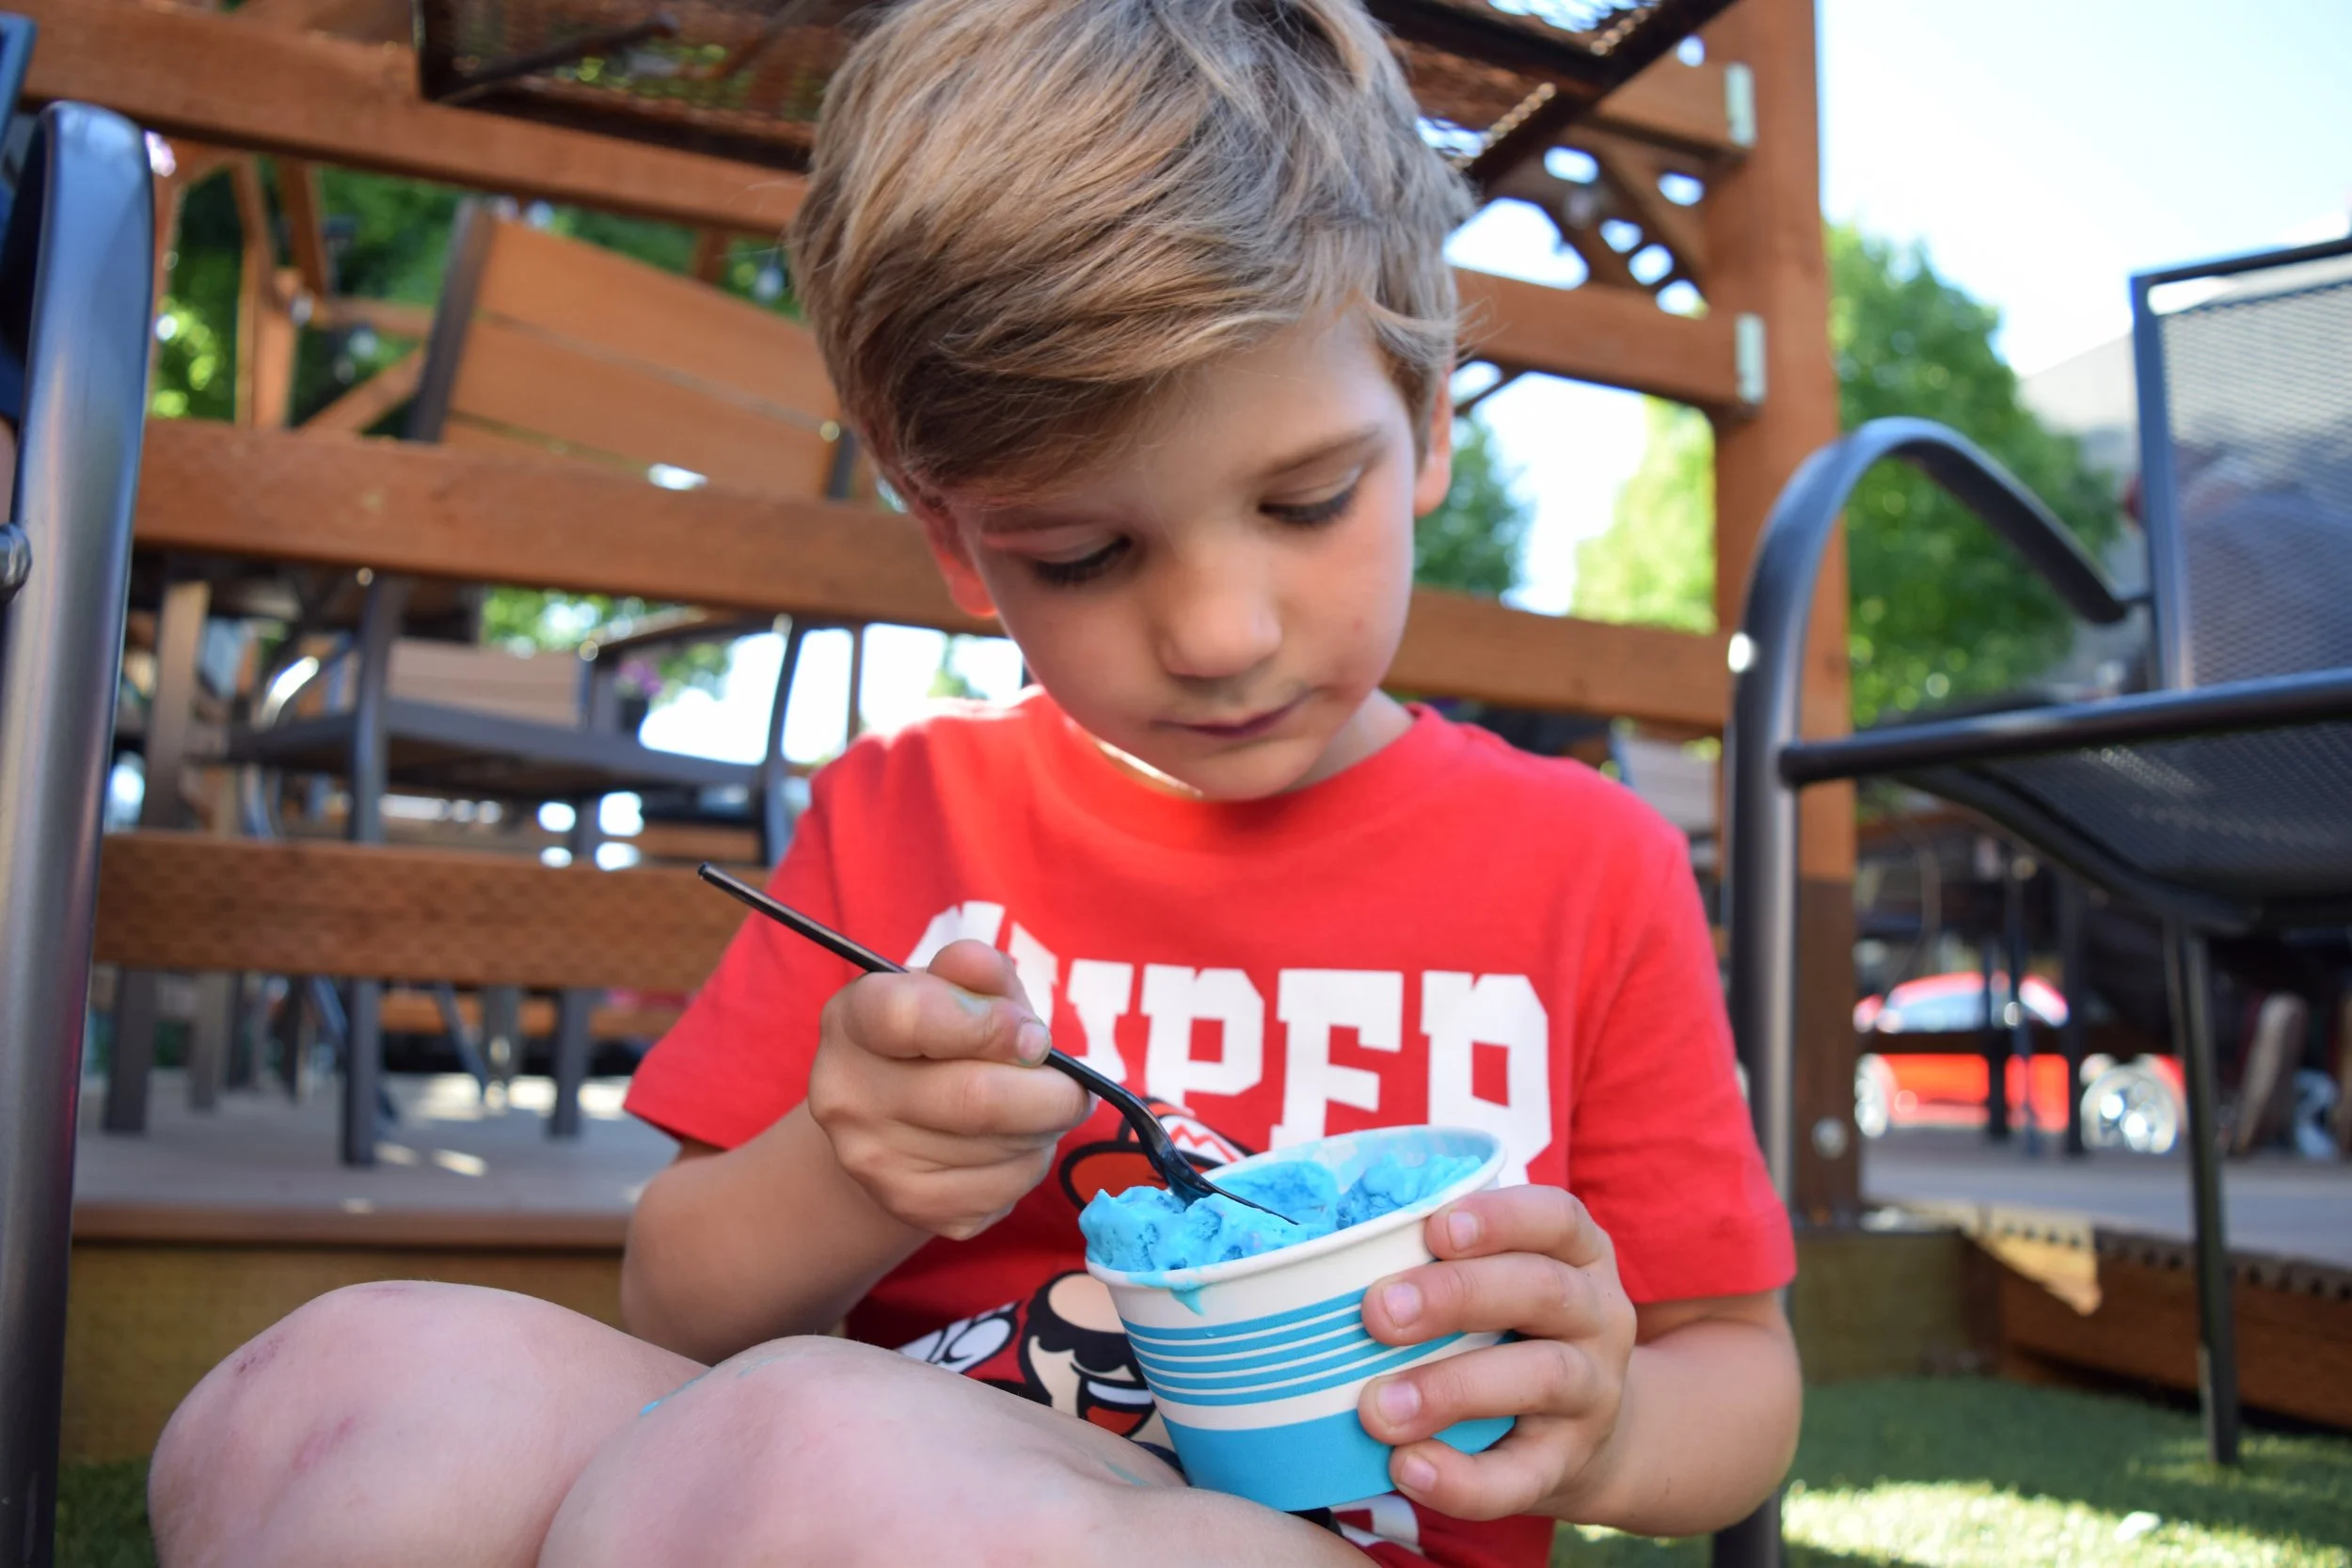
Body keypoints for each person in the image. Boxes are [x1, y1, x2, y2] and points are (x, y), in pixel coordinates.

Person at [148, 2, 1800, 1563]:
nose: (1218, 633)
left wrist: (1611, 1423)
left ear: (1427, 423)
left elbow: (1741, 1370)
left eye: (1305, 502)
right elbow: (678, 1305)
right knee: (347, 1388)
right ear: (955, 541)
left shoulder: (1588, 863)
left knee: (810, 1449)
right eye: (1082, 553)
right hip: (826, 1471)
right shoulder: (903, 811)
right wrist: (848, 1167)